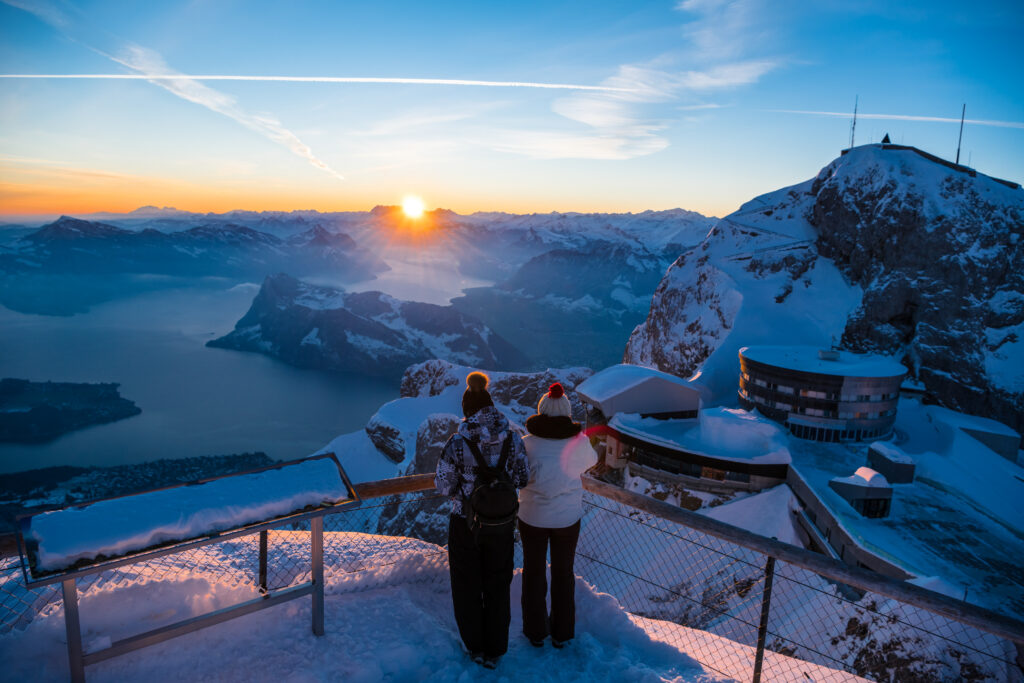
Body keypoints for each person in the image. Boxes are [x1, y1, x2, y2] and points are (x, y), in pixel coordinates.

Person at [435, 371, 529, 669]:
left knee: (466, 585)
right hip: (502, 524)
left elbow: (444, 486)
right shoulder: (513, 438)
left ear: (467, 410)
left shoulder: (456, 443)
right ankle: (495, 649)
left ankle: (475, 647)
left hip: (465, 523)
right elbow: (523, 478)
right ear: (491, 407)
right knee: (498, 584)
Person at [517, 382, 598, 649]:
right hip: (566, 518)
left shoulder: (526, 444)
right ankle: (562, 633)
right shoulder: (579, 442)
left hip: (532, 517)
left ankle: (535, 632)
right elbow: (592, 461)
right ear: (566, 413)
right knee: (564, 573)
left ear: (541, 411)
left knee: (533, 572)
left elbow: (518, 474)